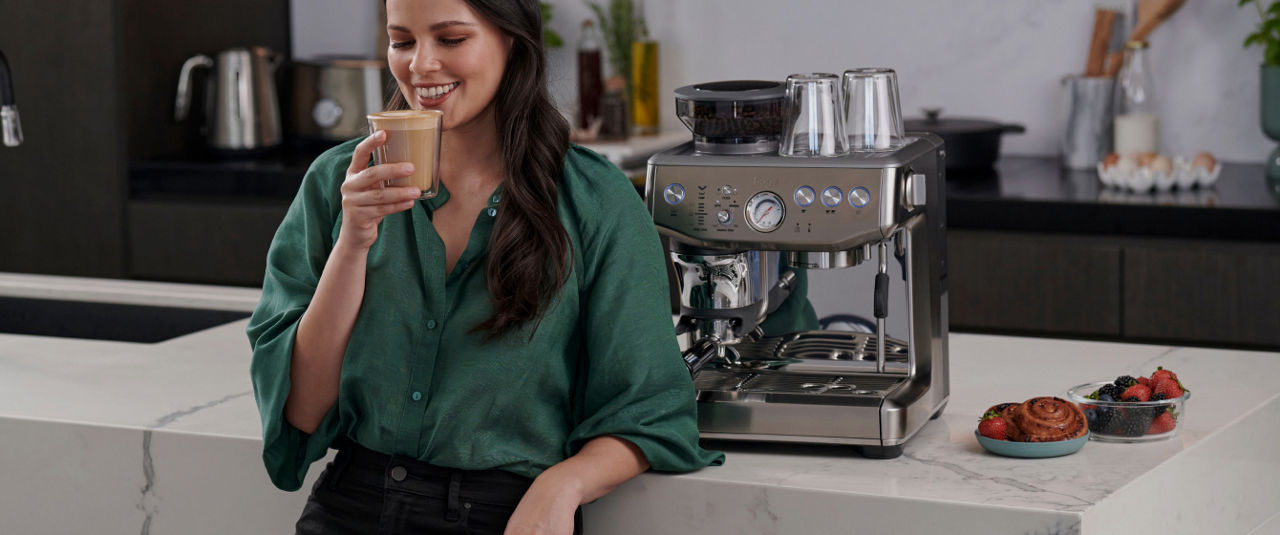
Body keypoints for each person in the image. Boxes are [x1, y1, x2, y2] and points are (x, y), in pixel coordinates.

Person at [246, 0, 722, 533]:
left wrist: (562, 485)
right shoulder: (336, 182)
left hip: (504, 515)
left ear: (512, 41)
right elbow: (302, 413)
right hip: (348, 507)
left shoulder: (594, 199)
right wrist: (353, 243)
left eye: (450, 39)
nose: (421, 65)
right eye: (402, 41)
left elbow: (650, 409)